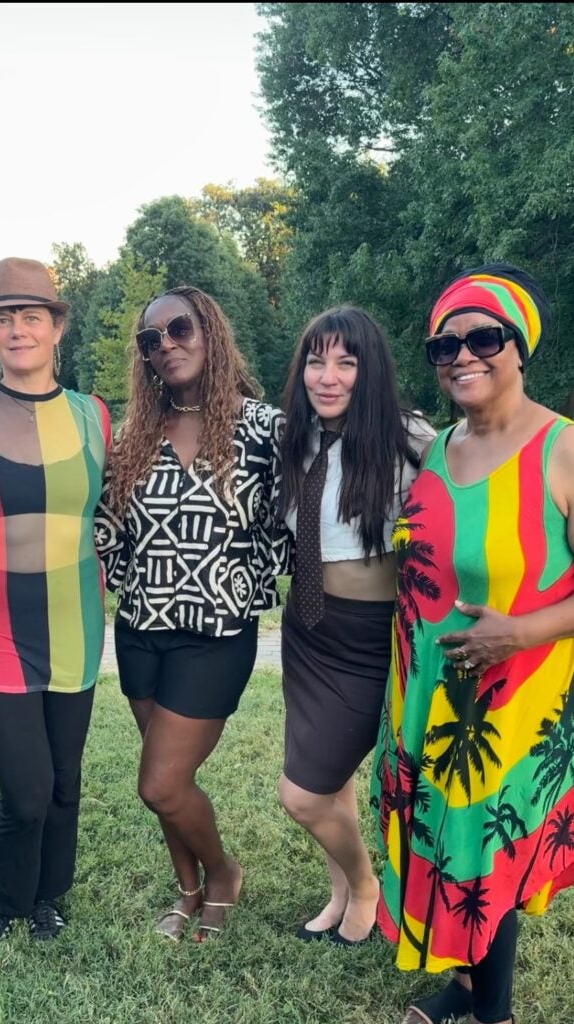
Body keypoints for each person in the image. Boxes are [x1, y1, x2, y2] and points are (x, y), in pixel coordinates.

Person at [372, 264, 574, 1024]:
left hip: (514, 701)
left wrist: (519, 631)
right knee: (441, 836)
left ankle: (492, 1012)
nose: (462, 355)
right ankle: (464, 989)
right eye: (444, 344)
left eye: (483, 337)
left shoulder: (561, 449)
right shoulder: (434, 450)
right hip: (424, 690)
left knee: (476, 851)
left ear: (519, 349)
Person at [94, 285, 291, 942]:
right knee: (162, 771)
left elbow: (304, 513)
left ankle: (223, 872)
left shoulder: (263, 429)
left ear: (209, 333)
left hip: (213, 637)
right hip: (139, 633)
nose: (165, 345)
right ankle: (187, 889)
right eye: (150, 340)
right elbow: (104, 530)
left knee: (160, 783)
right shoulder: (129, 435)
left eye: (178, 329)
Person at [0, 257, 110, 945]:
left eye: (30, 315)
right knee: (28, 786)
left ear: (57, 325)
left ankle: (46, 898)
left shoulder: (93, 415)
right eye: (2, 318)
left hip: (76, 621)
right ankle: (4, 904)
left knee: (65, 780)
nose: (16, 329)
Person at [277, 306, 434, 946]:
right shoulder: (294, 434)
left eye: (346, 361)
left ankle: (367, 886)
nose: (329, 376)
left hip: (370, 640)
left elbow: (475, 487)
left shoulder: (411, 438)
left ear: (369, 370)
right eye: (317, 360)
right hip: (305, 632)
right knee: (330, 780)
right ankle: (341, 892)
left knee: (302, 793)